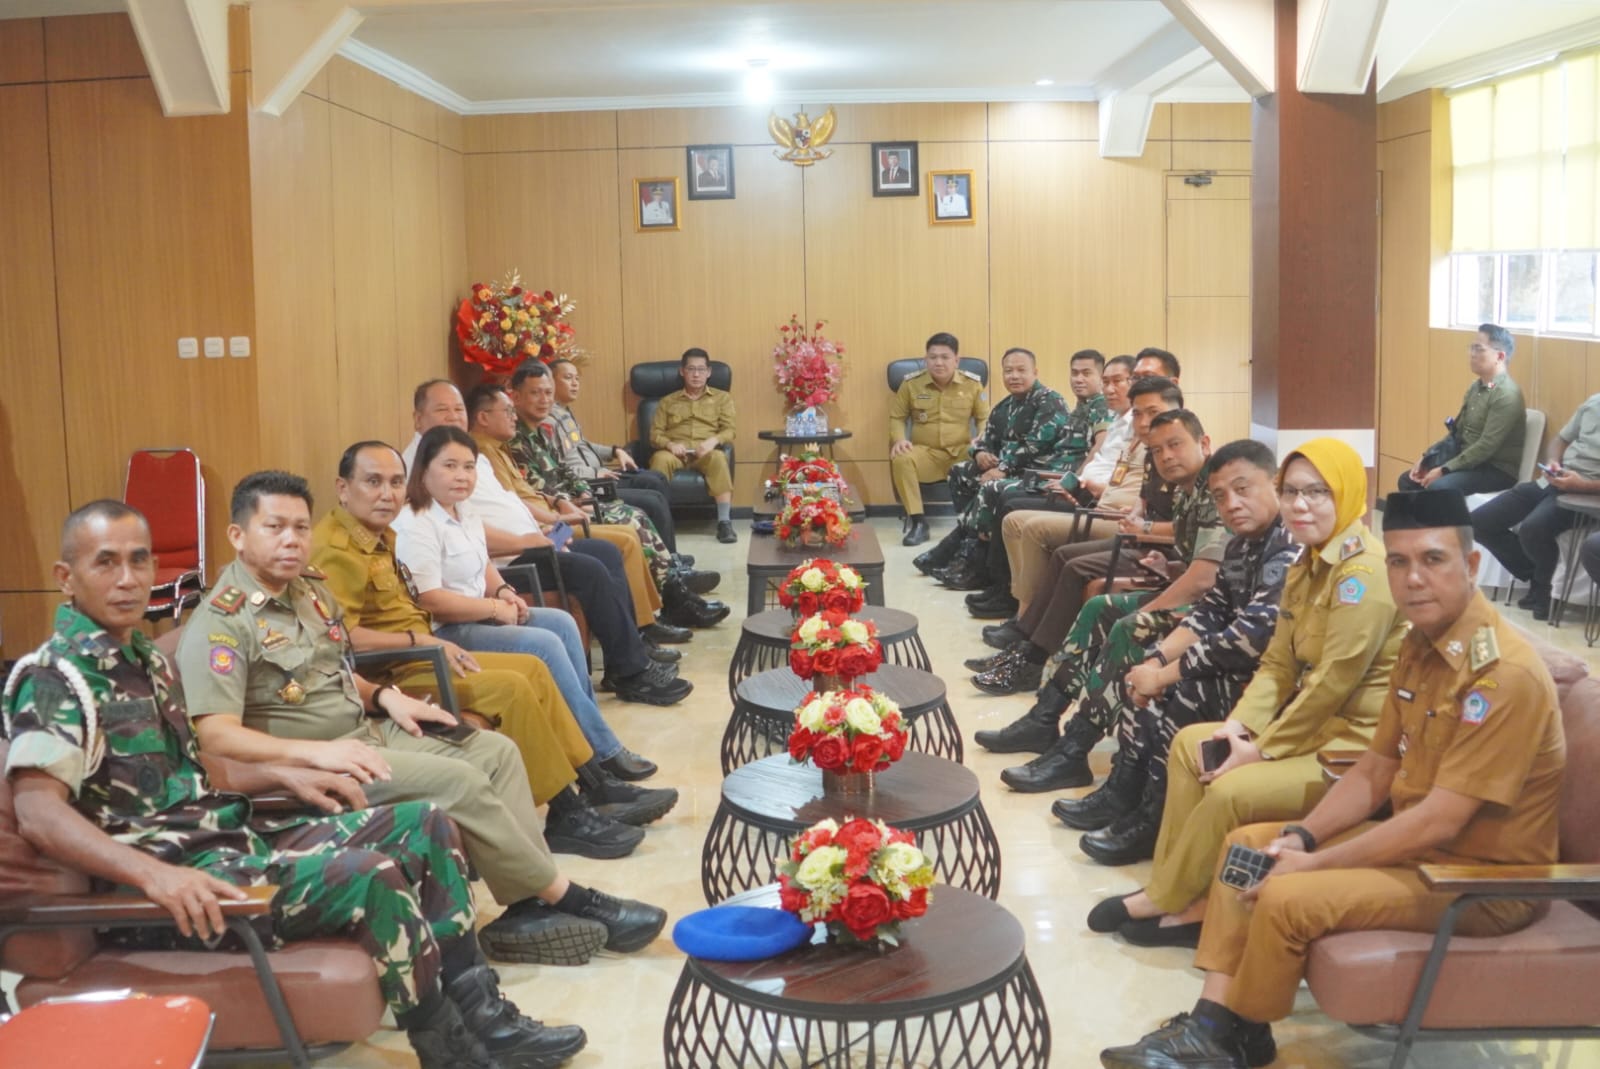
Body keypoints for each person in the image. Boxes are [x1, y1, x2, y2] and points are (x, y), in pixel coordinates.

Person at [3, 500, 586, 1068]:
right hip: (177, 889)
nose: (127, 579)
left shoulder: (146, 663)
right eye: (106, 563)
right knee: (371, 876)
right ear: (66, 577)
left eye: (139, 560)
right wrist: (155, 876)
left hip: (232, 843)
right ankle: (453, 1050)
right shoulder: (57, 679)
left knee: (424, 824)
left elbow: (196, 771)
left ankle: (484, 1015)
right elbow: (39, 813)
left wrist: (280, 773)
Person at [1100, 489, 1565, 1069]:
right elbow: (1374, 770)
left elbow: (1442, 817)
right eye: (1398, 561)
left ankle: (1229, 1031)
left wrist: (1314, 864)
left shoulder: (1502, 675)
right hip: (1418, 850)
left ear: (1471, 566)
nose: (1413, 578)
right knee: (1248, 848)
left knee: (1289, 891)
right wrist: (1303, 837)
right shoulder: (1421, 646)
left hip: (1477, 880)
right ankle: (1222, 1024)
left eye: (1433, 559)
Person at [178, 472, 670, 966]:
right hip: (324, 763)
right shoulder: (223, 621)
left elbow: (332, 676)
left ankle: (525, 908)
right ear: (238, 536)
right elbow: (214, 733)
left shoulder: (307, 592)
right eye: (274, 527)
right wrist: (312, 752)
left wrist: (387, 696)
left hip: (366, 729)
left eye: (301, 528)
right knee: (461, 781)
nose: (292, 540)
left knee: (495, 752)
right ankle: (567, 898)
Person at [1070, 437, 1402, 876]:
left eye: (1318, 492)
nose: (1300, 504)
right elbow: (1269, 656)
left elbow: (1319, 679)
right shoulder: (1306, 560)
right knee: (1152, 674)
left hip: (1342, 736)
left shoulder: (1353, 571)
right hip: (1301, 710)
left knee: (1188, 695)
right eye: (1293, 492)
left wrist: (1260, 746)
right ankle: (1142, 811)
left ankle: (1163, 850)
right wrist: (1167, 673)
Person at [985, 440, 1292, 825]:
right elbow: (1214, 606)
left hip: (1265, 671)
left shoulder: (1287, 545)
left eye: (1243, 489)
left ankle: (1140, 800)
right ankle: (1063, 732)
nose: (1231, 502)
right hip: (1209, 624)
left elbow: (1243, 630)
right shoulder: (1242, 539)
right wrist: (1159, 658)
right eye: (1222, 495)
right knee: (1122, 633)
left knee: (1151, 658)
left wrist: (1162, 670)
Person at [406, 380, 688, 685]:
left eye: (458, 409)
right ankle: (630, 670)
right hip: (509, 561)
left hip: (524, 547)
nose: (454, 416)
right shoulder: (419, 467)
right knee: (590, 569)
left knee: (607, 550)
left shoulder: (472, 454)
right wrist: (523, 543)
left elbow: (508, 501)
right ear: (418, 418)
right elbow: (461, 544)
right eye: (442, 410)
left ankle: (633, 646)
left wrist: (547, 522)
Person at [968, 405, 1219, 697]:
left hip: (1200, 597)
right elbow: (1189, 545)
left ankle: (1035, 666)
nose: (1166, 455)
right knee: (1066, 559)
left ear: (1203, 443)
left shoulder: (1216, 487)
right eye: (1138, 413)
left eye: (1174, 445)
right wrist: (1168, 564)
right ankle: (1034, 664)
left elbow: (1204, 572)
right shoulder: (1178, 480)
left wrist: (1147, 533)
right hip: (1148, 546)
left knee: (1081, 576)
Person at [499, 370, 727, 626]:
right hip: (557, 525)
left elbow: (562, 469)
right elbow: (538, 490)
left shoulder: (541, 431)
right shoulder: (512, 443)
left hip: (574, 503)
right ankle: (663, 607)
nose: (544, 400)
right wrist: (570, 500)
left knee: (639, 514)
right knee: (632, 523)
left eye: (547, 393)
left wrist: (581, 489)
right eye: (535, 393)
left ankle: (675, 592)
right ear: (515, 397)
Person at [964, 348, 1111, 616]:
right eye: (1074, 373)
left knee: (1003, 494)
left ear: (1101, 378)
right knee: (995, 491)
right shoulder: (1081, 406)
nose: (1078, 379)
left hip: (1068, 486)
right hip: (1052, 474)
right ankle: (993, 577)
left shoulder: (1100, 406)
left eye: (1087, 373)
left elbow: (1097, 450)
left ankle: (1003, 587)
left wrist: (1073, 482)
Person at [922, 347, 1072, 588]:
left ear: (1035, 371)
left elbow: (1036, 445)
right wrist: (979, 453)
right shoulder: (1004, 407)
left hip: (1039, 473)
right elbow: (983, 440)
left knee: (990, 486)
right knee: (960, 473)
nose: (1014, 376)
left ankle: (971, 558)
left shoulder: (1049, 401)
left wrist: (1001, 468)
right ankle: (969, 542)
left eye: (1021, 370)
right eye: (1008, 371)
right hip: (1009, 468)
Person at [1471, 388, 1600, 620]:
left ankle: (1543, 590)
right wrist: (1553, 462)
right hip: (1552, 480)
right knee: (1479, 522)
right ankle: (1538, 579)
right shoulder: (1594, 402)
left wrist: (1582, 486)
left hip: (1587, 495)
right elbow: (1560, 440)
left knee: (1534, 528)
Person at [546, 357, 681, 555]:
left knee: (656, 478)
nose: (575, 383)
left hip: (597, 475)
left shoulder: (564, 413)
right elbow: (558, 469)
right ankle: (671, 559)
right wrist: (595, 472)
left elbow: (584, 446)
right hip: (587, 485)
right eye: (568, 378)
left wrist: (615, 451)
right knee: (653, 499)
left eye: (577, 378)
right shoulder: (547, 421)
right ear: (551, 381)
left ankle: (671, 556)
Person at [888, 331, 990, 546]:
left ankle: (976, 523)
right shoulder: (911, 385)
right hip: (927, 453)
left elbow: (984, 418)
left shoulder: (972, 384)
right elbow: (897, 417)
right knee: (901, 458)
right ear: (926, 360)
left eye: (945, 357)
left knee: (987, 458)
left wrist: (981, 439)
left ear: (956, 360)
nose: (938, 362)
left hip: (962, 452)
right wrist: (899, 439)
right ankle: (918, 522)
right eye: (933, 357)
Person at [1400, 322, 1525, 495]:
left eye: (1479, 349)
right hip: (1468, 461)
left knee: (1437, 488)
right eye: (1472, 348)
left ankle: (1436, 522)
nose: (1472, 354)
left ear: (1500, 356)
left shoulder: (1506, 394)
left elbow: (1486, 446)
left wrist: (1444, 470)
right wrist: (1426, 458)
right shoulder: (1477, 387)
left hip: (1494, 469)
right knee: (1408, 480)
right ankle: (1422, 522)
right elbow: (1456, 433)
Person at [649, 347, 738, 543]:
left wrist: (713, 441)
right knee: (659, 459)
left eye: (701, 369)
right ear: (682, 371)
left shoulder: (722, 398)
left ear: (709, 372)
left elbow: (730, 430)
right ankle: (658, 523)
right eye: (691, 369)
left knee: (719, 458)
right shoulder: (667, 401)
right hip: (675, 453)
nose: (696, 374)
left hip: (705, 452)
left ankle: (724, 523)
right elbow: (655, 434)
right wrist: (670, 444)